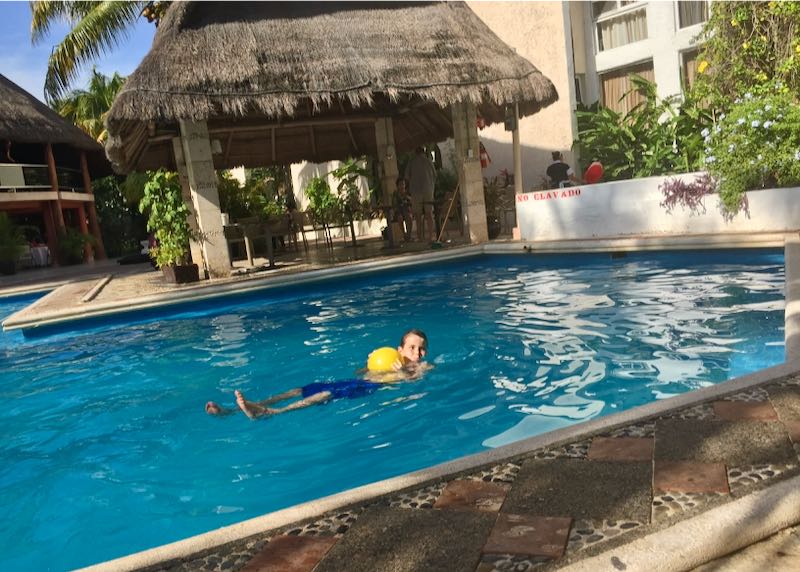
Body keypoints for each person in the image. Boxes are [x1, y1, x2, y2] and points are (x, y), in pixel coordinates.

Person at [205, 329, 432, 419]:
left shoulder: (422, 367)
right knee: (300, 389)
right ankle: (234, 410)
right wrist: (368, 364)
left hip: (367, 390)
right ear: (400, 349)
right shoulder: (389, 356)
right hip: (356, 381)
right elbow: (360, 372)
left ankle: (272, 411)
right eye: (412, 347)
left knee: (324, 395)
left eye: (421, 348)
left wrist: (403, 372)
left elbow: (413, 385)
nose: (417, 352)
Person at [404, 147, 437, 241]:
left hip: (416, 191)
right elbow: (435, 175)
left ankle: (420, 237)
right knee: (429, 213)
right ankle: (431, 235)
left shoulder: (412, 162)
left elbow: (406, 176)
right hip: (428, 190)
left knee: (418, 215)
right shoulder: (429, 161)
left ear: (415, 152)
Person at [393, 177, 414, 241]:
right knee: (400, 218)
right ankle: (404, 234)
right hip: (399, 211)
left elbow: (412, 202)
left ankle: (409, 234)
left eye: (403, 184)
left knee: (409, 217)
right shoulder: (396, 194)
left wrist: (407, 197)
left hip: (407, 210)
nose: (402, 186)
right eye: (400, 184)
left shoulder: (408, 193)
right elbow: (394, 204)